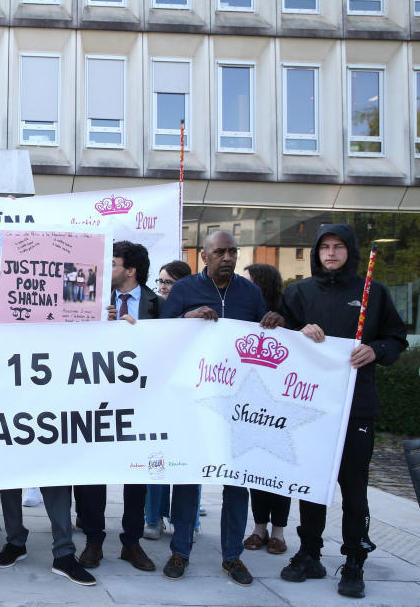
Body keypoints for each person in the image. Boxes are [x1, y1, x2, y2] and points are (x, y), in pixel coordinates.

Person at [278, 224, 407, 599]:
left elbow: (395, 338)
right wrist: (299, 332)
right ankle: (309, 553)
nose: (331, 254)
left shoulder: (373, 293)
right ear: (316, 253)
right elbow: (279, 336)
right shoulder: (298, 293)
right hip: (310, 407)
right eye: (324, 248)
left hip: (356, 408)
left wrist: (376, 351)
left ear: (350, 250)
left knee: (353, 490)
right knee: (311, 486)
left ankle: (353, 561)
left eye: (338, 247)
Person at [159, 230, 283, 587]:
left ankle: (233, 557)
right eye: (220, 252)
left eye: (232, 251)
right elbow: (161, 335)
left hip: (238, 404)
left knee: (236, 482)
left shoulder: (250, 292)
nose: (227, 257)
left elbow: (265, 335)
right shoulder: (184, 291)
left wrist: (274, 322)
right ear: (204, 256)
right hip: (193, 400)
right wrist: (186, 318)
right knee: (187, 477)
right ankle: (180, 550)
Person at [74, 242, 161, 573]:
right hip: (97, 401)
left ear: (130, 270)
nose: (103, 268)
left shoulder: (157, 304)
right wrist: (97, 322)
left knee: (136, 475)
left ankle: (131, 542)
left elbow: (168, 345)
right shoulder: (90, 299)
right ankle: (93, 541)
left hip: (140, 403)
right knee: (93, 474)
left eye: (112, 263)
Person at [240, 263, 292, 556]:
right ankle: (259, 528)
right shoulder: (247, 313)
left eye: (249, 281)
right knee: (256, 470)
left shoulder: (286, 314)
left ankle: (278, 532)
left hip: (280, 402)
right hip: (252, 402)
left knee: (278, 469)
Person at [144, 260, 193, 540]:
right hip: (155, 395)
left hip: (185, 394)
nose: (163, 287)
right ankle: (153, 518)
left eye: (169, 282)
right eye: (160, 281)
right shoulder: (151, 309)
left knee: (187, 460)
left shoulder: (198, 314)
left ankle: (187, 520)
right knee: (156, 457)